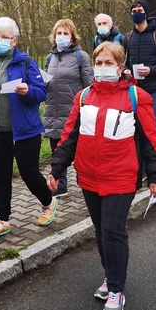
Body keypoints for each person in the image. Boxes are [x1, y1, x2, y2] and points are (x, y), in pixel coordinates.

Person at [48, 42, 156, 310]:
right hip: (89, 175)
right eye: (98, 63)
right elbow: (69, 135)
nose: (102, 68)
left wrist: (155, 173)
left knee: (113, 231)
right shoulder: (83, 96)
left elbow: (151, 139)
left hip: (121, 176)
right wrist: (57, 168)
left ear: (120, 66)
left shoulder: (137, 97)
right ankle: (110, 275)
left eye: (108, 63)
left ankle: (116, 289)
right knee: (100, 231)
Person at [0, 17, 58, 239]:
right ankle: (2, 219)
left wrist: (27, 91)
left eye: (4, 37)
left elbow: (41, 93)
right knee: (1, 175)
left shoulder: (26, 63)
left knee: (28, 173)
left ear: (14, 40)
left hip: (24, 131)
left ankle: (48, 202)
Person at [43, 19, 93, 197]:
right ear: (54, 37)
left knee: (81, 151)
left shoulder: (82, 57)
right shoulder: (50, 58)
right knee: (56, 148)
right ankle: (60, 185)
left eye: (66, 33)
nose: (62, 37)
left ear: (72, 37)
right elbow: (45, 84)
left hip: (74, 112)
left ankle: (88, 182)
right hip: (53, 111)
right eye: (59, 33)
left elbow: (90, 87)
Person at [122, 0, 156, 123]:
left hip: (155, 89)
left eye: (139, 10)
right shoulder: (128, 37)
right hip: (134, 89)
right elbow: (124, 62)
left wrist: (151, 70)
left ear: (146, 13)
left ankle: (154, 143)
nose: (136, 13)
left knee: (150, 124)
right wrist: (126, 70)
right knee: (133, 125)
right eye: (133, 11)